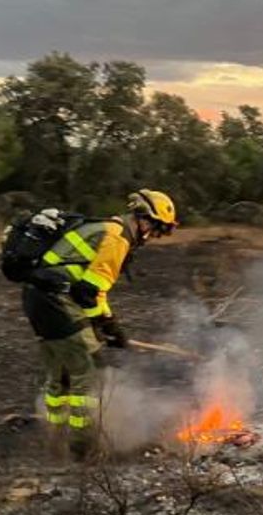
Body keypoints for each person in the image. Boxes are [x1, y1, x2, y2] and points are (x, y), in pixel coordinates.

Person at [21, 189, 177, 459]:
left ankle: (55, 438)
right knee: (89, 375)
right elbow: (87, 292)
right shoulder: (118, 238)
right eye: (155, 229)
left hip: (37, 298)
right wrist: (108, 325)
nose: (152, 236)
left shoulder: (106, 228)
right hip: (58, 303)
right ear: (143, 220)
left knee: (61, 374)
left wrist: (107, 326)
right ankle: (83, 449)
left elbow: (95, 292)